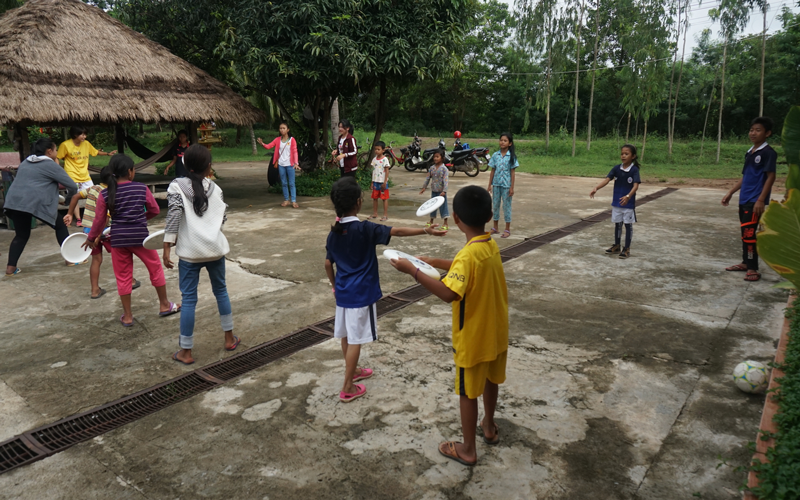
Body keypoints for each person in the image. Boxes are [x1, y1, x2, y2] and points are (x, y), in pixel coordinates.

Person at [389, 185, 508, 466]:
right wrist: (433, 261)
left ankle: (468, 449)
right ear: (490, 216)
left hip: (473, 336)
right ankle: (488, 428)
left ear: (455, 219)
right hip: (496, 331)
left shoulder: (468, 255)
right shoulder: (488, 244)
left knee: (468, 392)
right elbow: (464, 267)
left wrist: (414, 270)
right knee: (491, 379)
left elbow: (449, 293)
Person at [324, 177, 446, 403]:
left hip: (342, 294)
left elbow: (327, 264)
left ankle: (353, 370)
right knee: (355, 340)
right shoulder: (364, 228)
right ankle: (348, 386)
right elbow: (396, 232)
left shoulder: (334, 233)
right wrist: (425, 231)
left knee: (347, 336)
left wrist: (334, 286)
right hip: (361, 294)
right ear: (359, 202)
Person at [163, 145, 237, 365]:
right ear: (209, 167)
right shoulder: (216, 189)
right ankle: (229, 338)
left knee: (188, 301)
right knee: (221, 292)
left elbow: (174, 215)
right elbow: (222, 218)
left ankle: (186, 351)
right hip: (215, 250)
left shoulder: (176, 186)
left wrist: (167, 245)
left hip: (189, 253)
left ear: (185, 164)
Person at [85, 155, 180, 326]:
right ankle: (164, 305)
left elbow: (99, 220)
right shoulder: (141, 188)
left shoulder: (105, 194)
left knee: (123, 277)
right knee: (155, 268)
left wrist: (91, 238)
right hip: (140, 237)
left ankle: (128, 316)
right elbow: (155, 210)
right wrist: (141, 217)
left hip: (118, 239)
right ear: (130, 172)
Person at [64, 165, 141, 298]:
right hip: (105, 231)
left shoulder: (93, 188)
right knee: (122, 256)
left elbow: (75, 196)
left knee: (96, 260)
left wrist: (70, 214)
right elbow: (104, 217)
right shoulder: (111, 193)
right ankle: (130, 281)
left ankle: (95, 290)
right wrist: (98, 235)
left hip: (88, 231)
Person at [4, 138, 77, 276]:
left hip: (14, 202)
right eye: (55, 149)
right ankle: (70, 259)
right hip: (34, 203)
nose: (56, 152)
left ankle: (11, 268)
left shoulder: (25, 162)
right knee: (60, 225)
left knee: (21, 235)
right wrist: (67, 202)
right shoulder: (50, 165)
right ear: (49, 151)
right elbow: (72, 186)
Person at [721, 117, 778, 282]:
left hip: (755, 201)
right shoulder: (750, 152)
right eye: (752, 130)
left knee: (749, 234)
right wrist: (730, 192)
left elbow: (771, 177)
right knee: (745, 234)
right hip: (744, 199)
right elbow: (745, 177)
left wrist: (761, 200)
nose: (753, 133)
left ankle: (753, 268)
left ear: (767, 133)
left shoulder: (768, 153)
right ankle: (746, 262)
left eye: (758, 130)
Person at [589, 144, 641, 259]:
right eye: (622, 153)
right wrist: (596, 188)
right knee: (618, 224)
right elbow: (607, 179)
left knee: (628, 225)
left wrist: (628, 196)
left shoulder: (634, 170)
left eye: (626, 154)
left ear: (633, 156)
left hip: (628, 204)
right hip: (617, 202)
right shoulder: (616, 168)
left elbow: (635, 186)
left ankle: (626, 248)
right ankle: (617, 245)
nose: (623, 156)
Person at [57, 126, 116, 226]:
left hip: (85, 176)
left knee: (93, 194)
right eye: (82, 134)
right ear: (75, 135)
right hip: (71, 176)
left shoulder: (86, 143)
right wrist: (58, 172)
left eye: (85, 134)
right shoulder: (65, 145)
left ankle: (96, 216)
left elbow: (95, 152)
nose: (85, 136)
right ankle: (78, 219)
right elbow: (58, 157)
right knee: (74, 197)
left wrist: (107, 153)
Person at [257, 121, 301, 208]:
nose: (282, 130)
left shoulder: (292, 140)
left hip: (290, 164)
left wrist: (296, 163)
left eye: (284, 128)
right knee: (284, 182)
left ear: (288, 130)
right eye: (280, 128)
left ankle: (294, 201)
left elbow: (295, 151)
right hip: (281, 164)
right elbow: (269, 146)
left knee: (292, 183)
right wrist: (262, 143)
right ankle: (286, 200)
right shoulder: (277, 140)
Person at [487, 132, 518, 238]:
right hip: (496, 184)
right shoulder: (495, 155)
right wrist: (489, 185)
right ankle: (495, 227)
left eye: (505, 140)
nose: (502, 142)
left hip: (506, 186)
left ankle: (507, 229)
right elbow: (492, 170)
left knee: (506, 207)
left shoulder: (511, 156)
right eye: (501, 140)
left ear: (510, 143)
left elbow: (512, 172)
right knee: (495, 206)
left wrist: (512, 187)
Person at [419, 149, 450, 230]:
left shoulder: (444, 169)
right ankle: (431, 221)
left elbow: (446, 181)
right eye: (434, 157)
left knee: (443, 207)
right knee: (432, 207)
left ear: (442, 158)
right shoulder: (432, 168)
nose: (435, 158)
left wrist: (444, 191)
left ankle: (445, 224)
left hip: (441, 192)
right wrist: (424, 187)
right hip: (434, 191)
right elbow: (427, 178)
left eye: (437, 157)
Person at [370, 141, 390, 221]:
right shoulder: (374, 159)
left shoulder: (385, 159)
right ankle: (375, 214)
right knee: (375, 198)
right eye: (375, 149)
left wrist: (385, 182)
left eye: (378, 149)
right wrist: (372, 182)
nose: (376, 151)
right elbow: (373, 171)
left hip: (382, 183)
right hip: (375, 182)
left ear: (383, 150)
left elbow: (387, 171)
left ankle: (385, 215)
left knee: (384, 198)